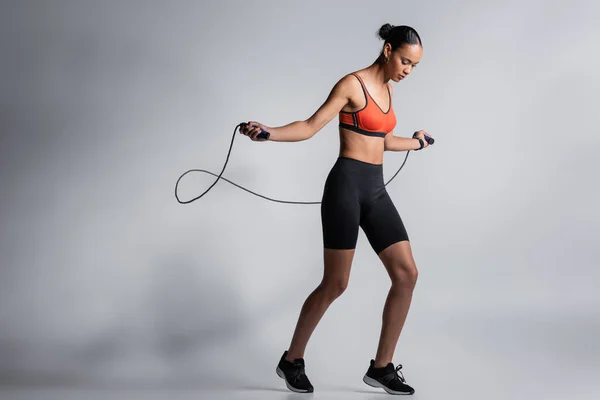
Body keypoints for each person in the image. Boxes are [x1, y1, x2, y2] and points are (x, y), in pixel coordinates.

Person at [240, 23, 432, 395]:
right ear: (389, 50)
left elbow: (383, 138)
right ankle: (291, 360)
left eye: (415, 66)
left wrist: (418, 143)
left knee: (407, 274)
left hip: (375, 190)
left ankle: (382, 368)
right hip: (345, 188)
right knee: (336, 283)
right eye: (406, 61)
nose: (408, 70)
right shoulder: (352, 84)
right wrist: (269, 132)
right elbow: (311, 126)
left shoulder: (389, 91)